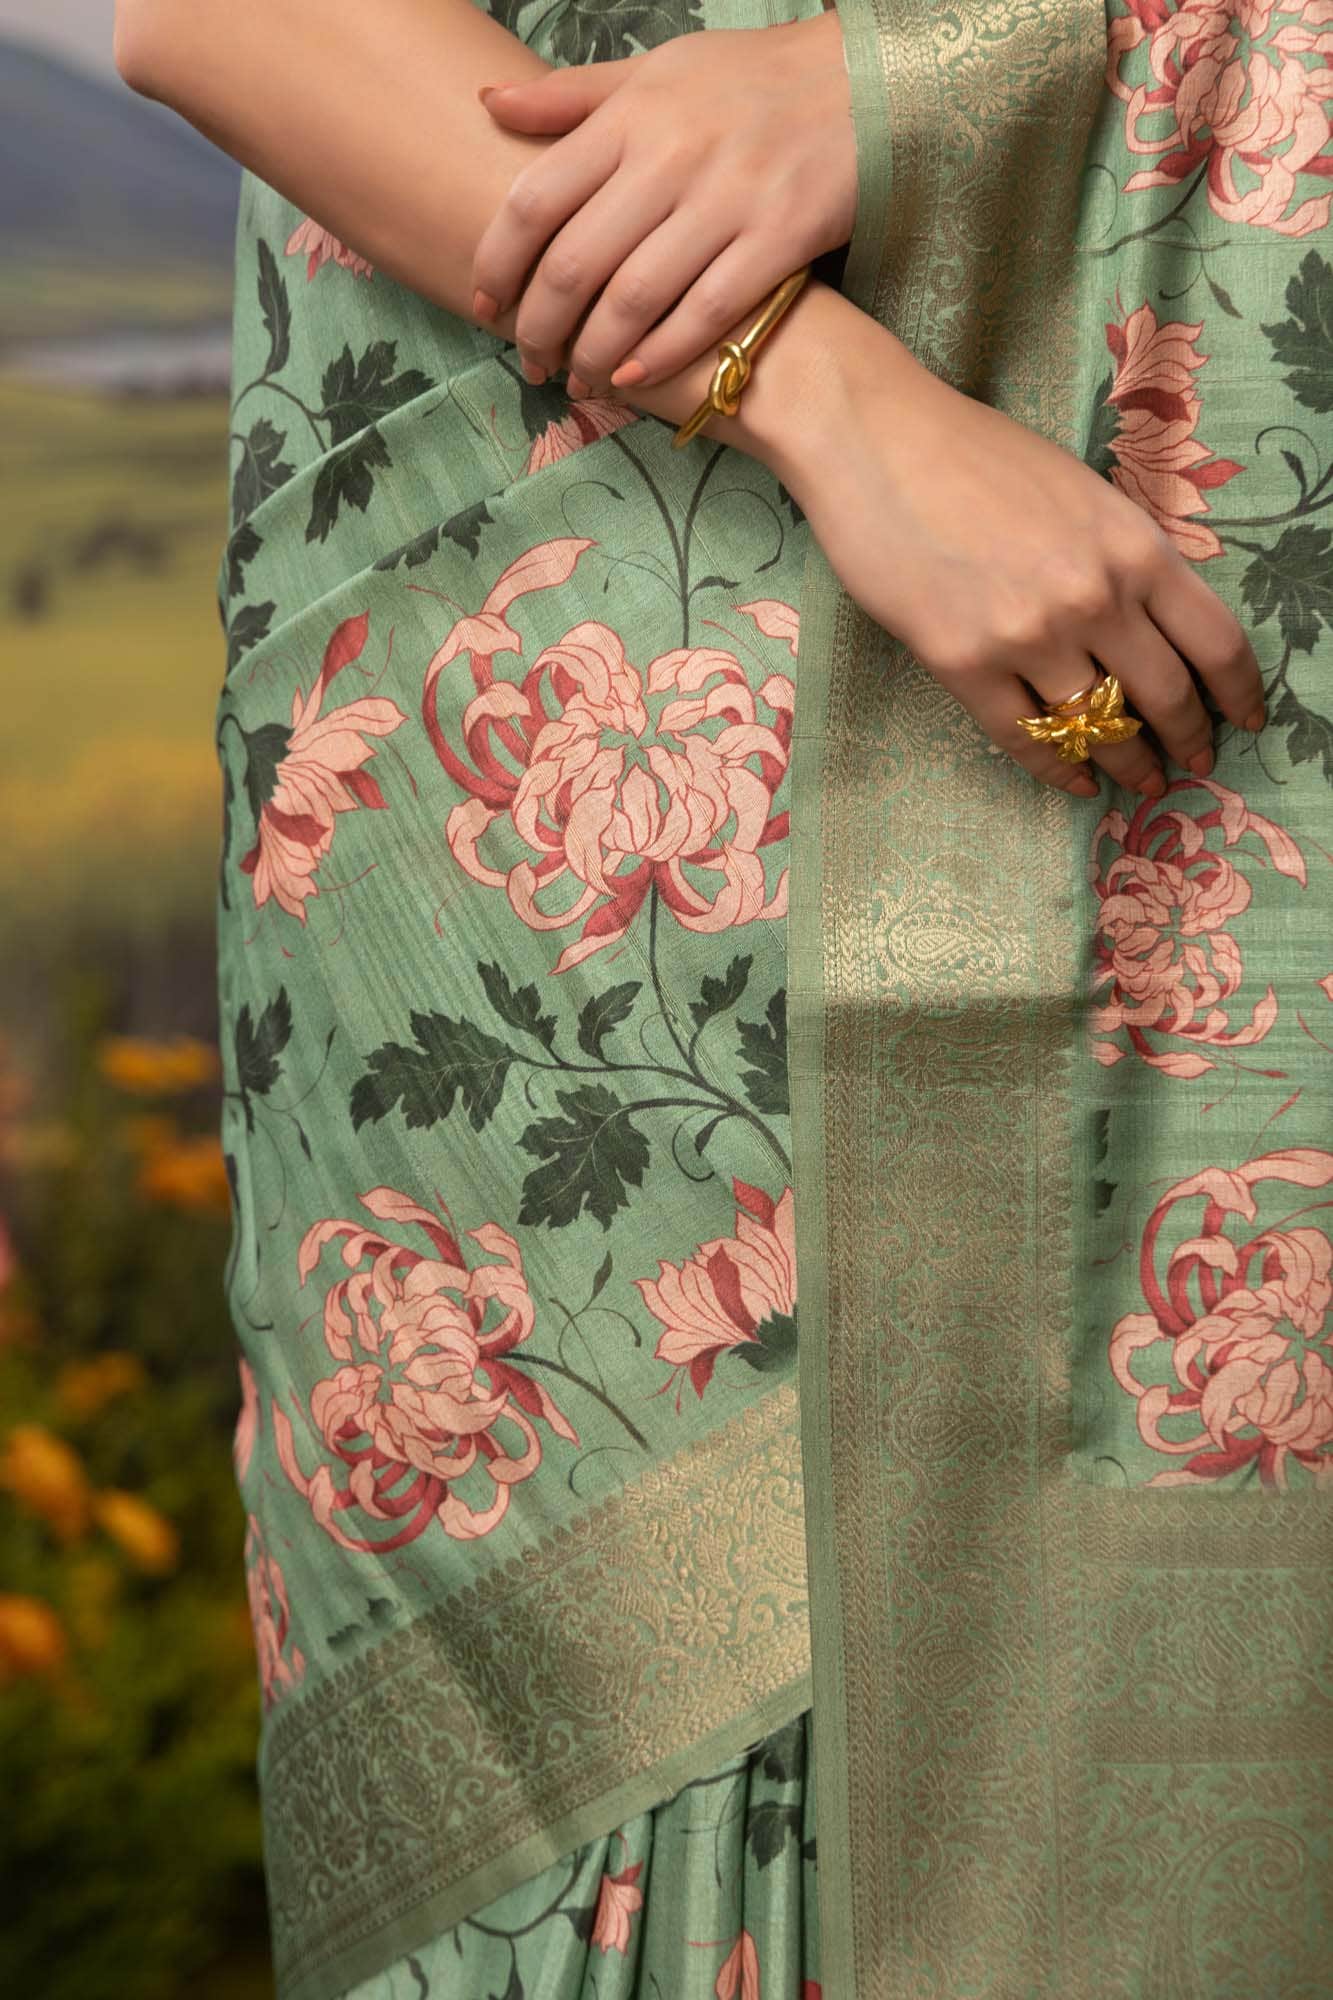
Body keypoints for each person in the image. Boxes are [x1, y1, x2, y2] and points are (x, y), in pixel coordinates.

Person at [115, 0, 1332, 1994]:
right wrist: (822, 389)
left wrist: (921, 87)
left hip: (1227, 670)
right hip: (601, 728)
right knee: (636, 1789)